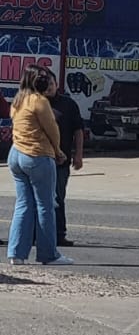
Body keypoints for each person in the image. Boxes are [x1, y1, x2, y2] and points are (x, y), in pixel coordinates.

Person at [6, 65, 72, 267]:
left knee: (23, 205)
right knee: (46, 206)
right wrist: (59, 151)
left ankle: (16, 253)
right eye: (42, 77)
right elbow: (53, 130)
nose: (46, 80)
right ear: (34, 80)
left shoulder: (18, 100)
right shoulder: (40, 101)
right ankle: (48, 254)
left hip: (16, 154)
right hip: (37, 156)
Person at [45, 73, 84, 249]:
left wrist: (78, 154)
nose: (49, 87)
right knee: (36, 199)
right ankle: (34, 235)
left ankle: (60, 234)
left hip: (61, 161)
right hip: (39, 159)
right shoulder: (36, 104)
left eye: (51, 83)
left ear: (57, 83)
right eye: (45, 84)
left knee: (58, 198)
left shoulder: (68, 104)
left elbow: (78, 130)